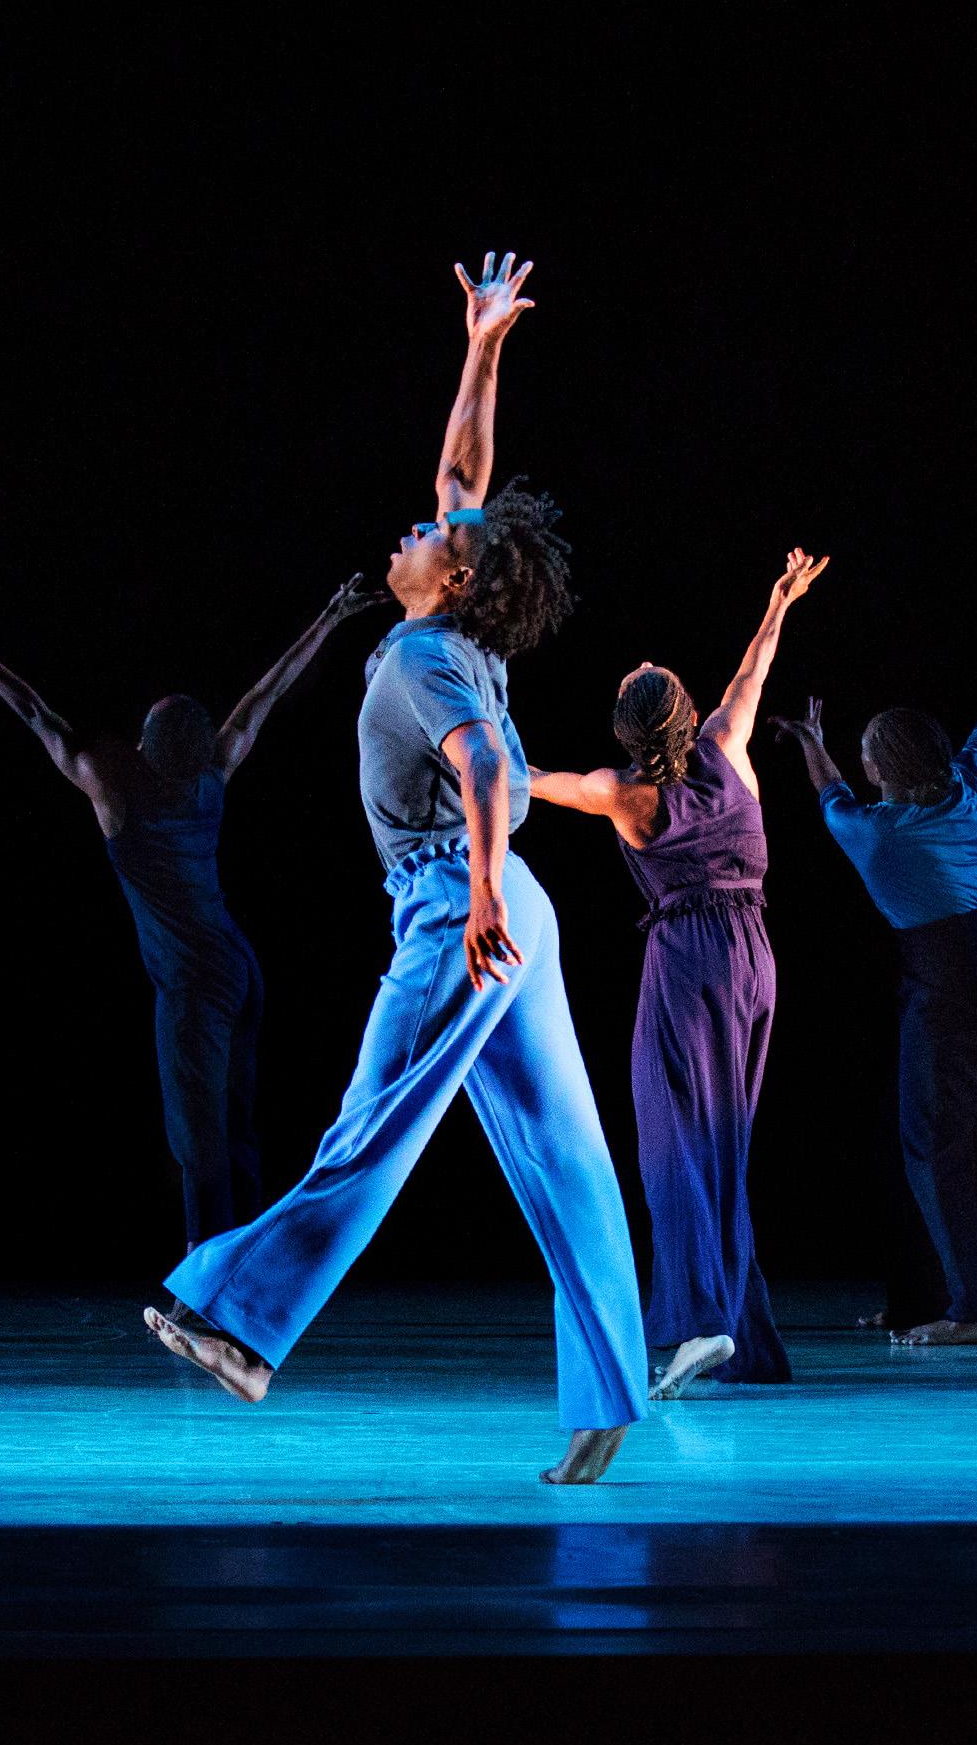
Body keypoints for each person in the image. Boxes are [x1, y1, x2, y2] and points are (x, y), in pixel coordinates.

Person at [142, 253, 648, 1485]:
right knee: (566, 1148)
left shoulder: (426, 658)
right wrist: (483, 347)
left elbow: (482, 772)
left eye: (429, 535)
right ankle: (611, 1392)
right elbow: (465, 475)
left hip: (457, 908)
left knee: (370, 1126)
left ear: (455, 577)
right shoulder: (461, 630)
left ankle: (244, 1325)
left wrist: (473, 897)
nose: (415, 527)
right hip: (506, 901)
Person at [0, 576, 387, 1253]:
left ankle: (203, 1282)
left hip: (195, 984)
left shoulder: (117, 799)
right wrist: (331, 615)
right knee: (236, 1127)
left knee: (199, 1139)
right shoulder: (211, 776)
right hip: (240, 969)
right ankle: (246, 1268)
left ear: (144, 745)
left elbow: (36, 713)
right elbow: (264, 696)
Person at [769, 562, 977, 1346]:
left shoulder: (878, 833)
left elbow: (831, 798)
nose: (861, 766)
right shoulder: (965, 789)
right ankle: (926, 1296)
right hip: (971, 983)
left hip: (946, 991)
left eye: (866, 755)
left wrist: (813, 746)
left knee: (933, 1147)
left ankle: (971, 1308)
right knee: (921, 1144)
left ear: (887, 767)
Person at [528, 547, 830, 1397]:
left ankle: (699, 1321)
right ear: (686, 714)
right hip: (754, 959)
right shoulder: (729, 744)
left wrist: (461, 737)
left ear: (630, 731)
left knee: (670, 1137)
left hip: (689, 959)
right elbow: (753, 667)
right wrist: (778, 600)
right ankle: (740, 1331)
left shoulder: (624, 794)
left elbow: (534, 781)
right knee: (723, 1141)